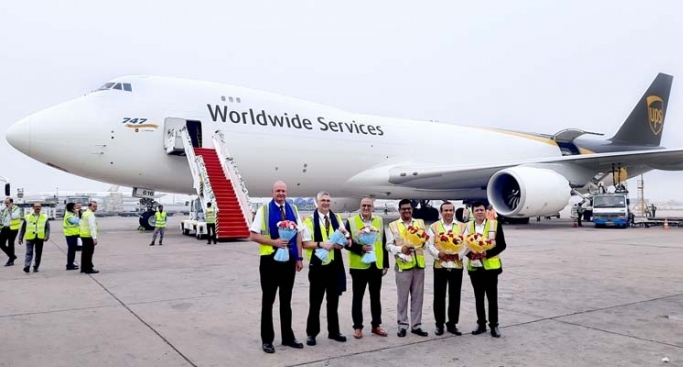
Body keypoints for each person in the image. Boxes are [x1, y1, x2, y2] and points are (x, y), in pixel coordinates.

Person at [249, 181, 305, 354]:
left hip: (288, 262)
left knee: (286, 301)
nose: (281, 193)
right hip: (269, 262)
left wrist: (299, 257)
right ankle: (267, 340)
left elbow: (298, 235)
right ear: (272, 192)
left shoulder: (293, 209)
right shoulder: (264, 210)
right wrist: (273, 242)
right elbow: (253, 235)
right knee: (268, 301)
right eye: (277, 191)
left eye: (283, 191)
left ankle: (288, 337)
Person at [301, 191, 348, 346]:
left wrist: (342, 243)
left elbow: (345, 237)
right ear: (317, 202)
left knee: (333, 302)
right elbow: (305, 243)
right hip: (318, 267)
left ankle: (333, 332)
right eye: (323, 200)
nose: (326, 203)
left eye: (328, 200)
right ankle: (312, 333)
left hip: (334, 266)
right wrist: (321, 244)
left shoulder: (337, 218)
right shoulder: (309, 221)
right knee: (315, 302)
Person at [345, 197, 389, 339]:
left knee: (375, 297)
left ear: (373, 207)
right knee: (358, 298)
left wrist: (385, 264)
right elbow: (346, 243)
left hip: (376, 265)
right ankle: (358, 327)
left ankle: (376, 325)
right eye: (363, 205)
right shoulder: (351, 222)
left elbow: (383, 243)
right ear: (360, 206)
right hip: (359, 266)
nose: (366, 208)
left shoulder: (379, 221)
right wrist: (360, 248)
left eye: (368, 206)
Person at [463, 201, 507, 338]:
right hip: (475, 267)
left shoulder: (495, 224)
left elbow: (502, 245)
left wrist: (486, 254)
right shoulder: (467, 227)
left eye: (482, 210)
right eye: (477, 210)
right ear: (472, 212)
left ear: (485, 211)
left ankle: (494, 325)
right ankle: (481, 324)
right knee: (479, 297)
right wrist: (473, 255)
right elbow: (463, 246)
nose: (480, 212)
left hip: (491, 267)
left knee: (492, 298)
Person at [386, 199, 429, 337]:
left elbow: (426, 241)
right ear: (399, 211)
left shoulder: (420, 223)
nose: (406, 211)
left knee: (418, 298)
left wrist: (422, 244)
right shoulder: (393, 226)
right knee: (402, 298)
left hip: (418, 265)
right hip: (403, 266)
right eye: (403, 209)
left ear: (412, 210)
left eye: (409, 209)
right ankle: (402, 325)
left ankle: (416, 325)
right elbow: (388, 245)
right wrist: (400, 249)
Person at [426, 201, 464, 336]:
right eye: (445, 210)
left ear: (453, 212)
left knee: (455, 295)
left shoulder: (462, 227)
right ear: (441, 212)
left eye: (450, 210)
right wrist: (438, 254)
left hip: (456, 265)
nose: (448, 213)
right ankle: (439, 324)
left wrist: (457, 255)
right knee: (439, 295)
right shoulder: (434, 227)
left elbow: (467, 244)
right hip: (440, 265)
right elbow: (428, 245)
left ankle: (452, 323)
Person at [18, 202, 50, 273]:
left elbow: (47, 228)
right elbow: (23, 228)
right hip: (30, 237)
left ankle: (36, 266)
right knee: (29, 252)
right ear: (33, 208)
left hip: (40, 238)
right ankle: (27, 266)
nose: (37, 208)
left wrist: (46, 236)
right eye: (36, 207)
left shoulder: (44, 217)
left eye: (39, 206)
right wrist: (20, 238)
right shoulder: (27, 217)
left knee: (38, 253)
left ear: (41, 208)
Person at [0, 197, 22, 266]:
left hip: (13, 228)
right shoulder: (5, 209)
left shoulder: (16, 208)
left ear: (11, 202)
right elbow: (3, 219)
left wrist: (10, 210)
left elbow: (14, 216)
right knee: (1, 244)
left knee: (10, 244)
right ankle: (12, 256)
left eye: (7, 203)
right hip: (5, 228)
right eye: (5, 203)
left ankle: (11, 260)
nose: (6, 204)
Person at [79, 201, 100, 274]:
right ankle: (88, 268)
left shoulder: (84, 213)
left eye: (96, 206)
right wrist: (94, 238)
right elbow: (92, 227)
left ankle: (83, 268)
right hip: (88, 236)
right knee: (89, 253)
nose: (95, 208)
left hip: (83, 235)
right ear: (90, 206)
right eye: (94, 206)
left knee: (84, 253)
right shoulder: (90, 214)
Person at [63, 203, 80, 270]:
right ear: (71, 208)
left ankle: (71, 263)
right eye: (74, 207)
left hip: (74, 234)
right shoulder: (68, 215)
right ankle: (69, 265)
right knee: (71, 250)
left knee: (73, 250)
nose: (76, 208)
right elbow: (76, 221)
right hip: (70, 235)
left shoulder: (71, 214)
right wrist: (77, 214)